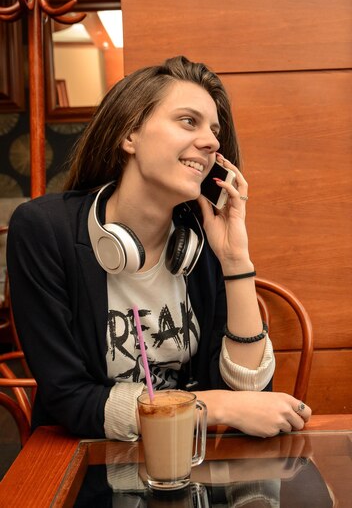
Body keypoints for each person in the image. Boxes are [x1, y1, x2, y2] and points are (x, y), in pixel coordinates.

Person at [6, 55, 311, 441]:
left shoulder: (201, 240)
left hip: (191, 458)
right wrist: (213, 406)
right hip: (87, 460)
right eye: (188, 121)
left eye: (215, 131)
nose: (212, 141)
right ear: (129, 135)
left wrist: (235, 260)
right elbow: (69, 398)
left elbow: (250, 395)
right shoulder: (45, 230)